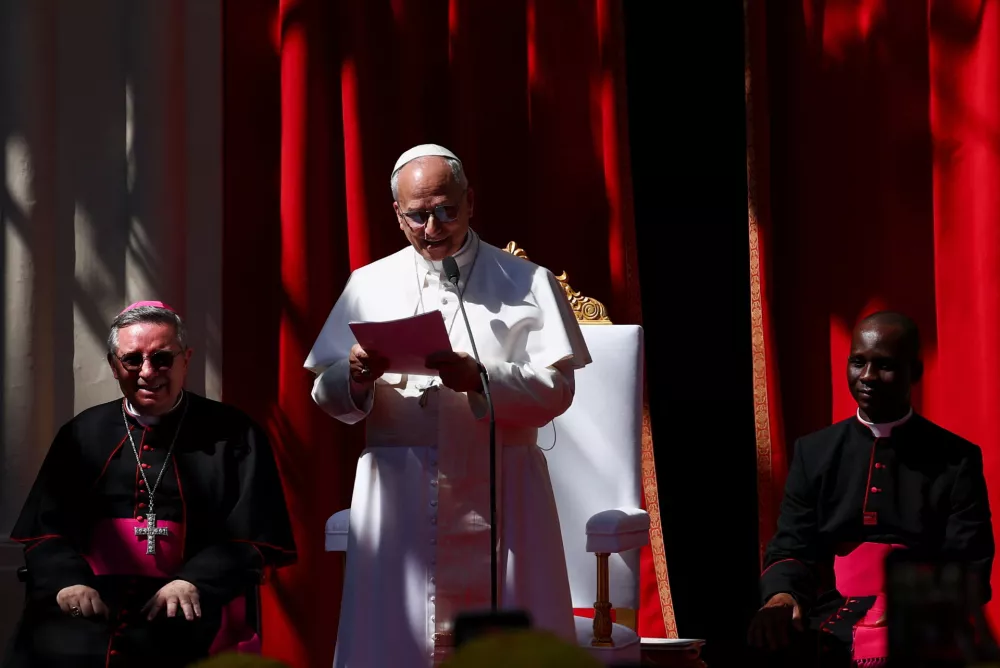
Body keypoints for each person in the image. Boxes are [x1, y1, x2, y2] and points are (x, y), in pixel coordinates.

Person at [304, 144, 592, 667]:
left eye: (446, 210)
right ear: (397, 213)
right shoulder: (368, 284)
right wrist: (356, 376)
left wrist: (482, 377)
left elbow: (560, 390)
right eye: (417, 216)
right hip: (401, 492)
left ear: (470, 201)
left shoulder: (527, 282)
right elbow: (325, 394)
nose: (432, 227)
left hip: (502, 485)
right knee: (397, 639)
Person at [4, 302, 296, 668]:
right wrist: (68, 581)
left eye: (162, 359)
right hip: (91, 593)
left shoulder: (234, 433)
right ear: (114, 366)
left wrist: (194, 582)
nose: (147, 372)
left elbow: (254, 534)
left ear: (185, 359)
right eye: (131, 360)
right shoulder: (82, 433)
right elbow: (45, 530)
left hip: (191, 596)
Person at [748, 311, 995, 667]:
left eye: (885, 365)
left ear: (916, 372)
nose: (867, 377)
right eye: (858, 362)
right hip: (830, 612)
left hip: (922, 614)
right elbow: (791, 546)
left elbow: (968, 559)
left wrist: (904, 602)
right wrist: (781, 597)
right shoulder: (814, 452)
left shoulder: (956, 459)